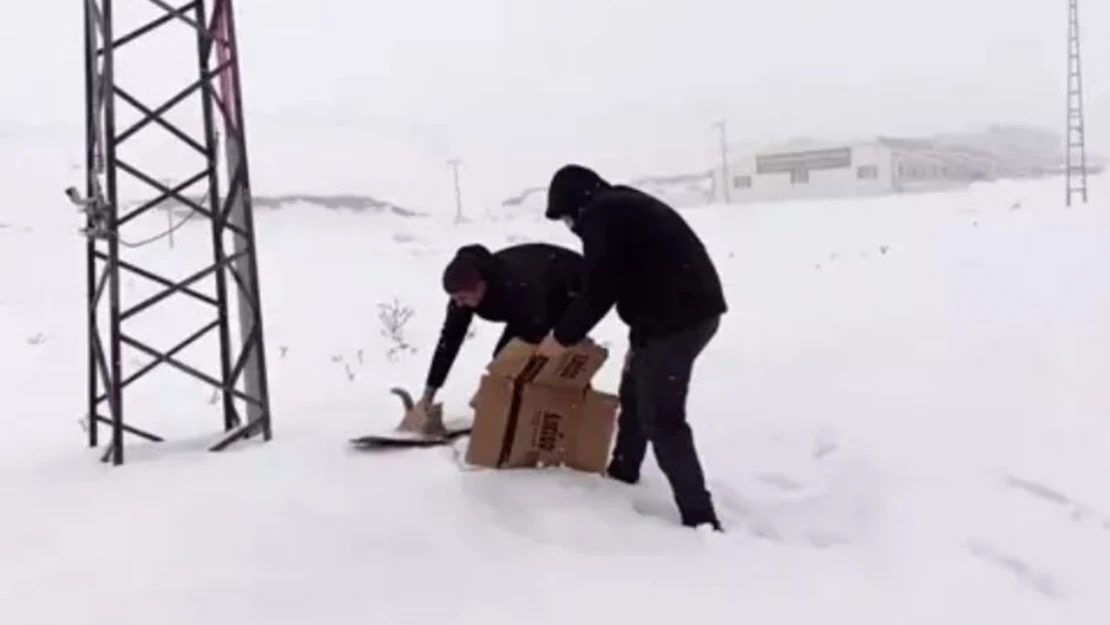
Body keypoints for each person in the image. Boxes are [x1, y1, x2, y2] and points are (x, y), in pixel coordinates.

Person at [536, 164, 728, 532]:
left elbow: (599, 289)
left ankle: (701, 519)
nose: (568, 226)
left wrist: (561, 337)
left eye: (564, 217)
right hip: (671, 314)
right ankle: (624, 473)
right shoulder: (618, 206)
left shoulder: (603, 216)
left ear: (574, 205)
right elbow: (622, 275)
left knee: (662, 417)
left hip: (679, 319)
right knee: (635, 392)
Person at [414, 242, 584, 414]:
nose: (459, 303)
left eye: (463, 298)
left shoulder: (518, 288)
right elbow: (449, 341)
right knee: (507, 359)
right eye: (455, 298)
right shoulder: (463, 296)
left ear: (481, 285)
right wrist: (428, 393)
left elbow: (528, 336)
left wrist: (491, 386)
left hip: (572, 283)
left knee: (536, 351)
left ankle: (560, 403)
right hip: (536, 287)